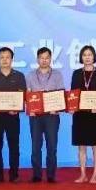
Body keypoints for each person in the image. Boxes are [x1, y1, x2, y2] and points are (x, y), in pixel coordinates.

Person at [0, 47, 27, 183]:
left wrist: (17, 108)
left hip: (12, 117)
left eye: (7, 57)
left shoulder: (19, 76)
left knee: (14, 146)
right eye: (2, 57)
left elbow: (23, 96)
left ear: (12, 59)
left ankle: (14, 174)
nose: (5, 60)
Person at [26, 47, 65, 183]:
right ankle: (36, 175)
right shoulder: (30, 75)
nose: (44, 60)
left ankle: (51, 175)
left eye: (47, 58)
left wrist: (57, 108)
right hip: (35, 116)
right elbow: (28, 95)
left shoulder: (57, 75)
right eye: (41, 58)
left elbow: (61, 94)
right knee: (36, 146)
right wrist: (30, 108)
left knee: (52, 146)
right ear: (37, 59)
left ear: (50, 59)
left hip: (51, 116)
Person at [71, 45, 96, 184]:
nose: (87, 57)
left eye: (90, 54)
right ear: (81, 57)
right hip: (80, 114)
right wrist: (72, 106)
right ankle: (83, 174)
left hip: (95, 114)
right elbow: (73, 93)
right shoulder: (76, 73)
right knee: (81, 146)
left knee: (95, 146)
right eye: (85, 55)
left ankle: (95, 174)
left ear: (94, 57)